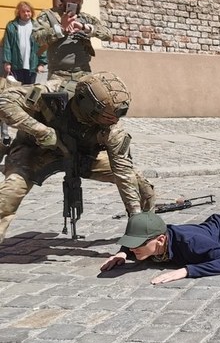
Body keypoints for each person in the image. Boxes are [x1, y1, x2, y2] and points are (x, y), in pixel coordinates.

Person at [0, 71, 155, 242]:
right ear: (87, 105)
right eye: (107, 116)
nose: (114, 121)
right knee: (9, 195)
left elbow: (124, 173)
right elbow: (5, 101)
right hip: (35, 151)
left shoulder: (113, 130)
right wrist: (41, 131)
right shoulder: (53, 93)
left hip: (84, 156)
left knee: (140, 184)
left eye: (117, 115)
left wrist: (136, 218)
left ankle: (149, 236)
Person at [32, 0, 111, 92]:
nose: (76, 2)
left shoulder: (86, 19)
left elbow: (108, 34)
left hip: (84, 73)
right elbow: (36, 38)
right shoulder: (48, 15)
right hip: (58, 76)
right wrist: (61, 29)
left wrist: (86, 28)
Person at [3, 1, 46, 85]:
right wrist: (7, 62)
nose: (26, 13)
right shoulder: (11, 26)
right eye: (23, 11)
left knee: (28, 90)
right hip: (16, 65)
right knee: (15, 89)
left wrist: (42, 63)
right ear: (19, 13)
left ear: (32, 12)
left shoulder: (37, 27)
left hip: (32, 65)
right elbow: (7, 45)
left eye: (28, 11)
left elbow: (42, 46)